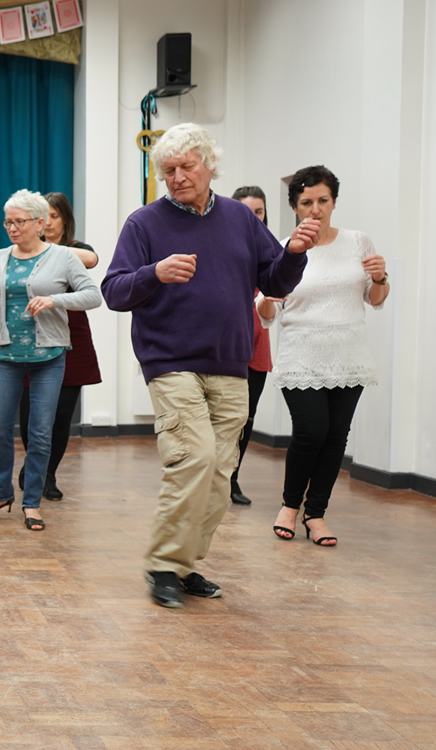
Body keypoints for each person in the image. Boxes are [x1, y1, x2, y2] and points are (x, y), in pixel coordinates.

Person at [102, 123, 316, 609]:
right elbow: (113, 291)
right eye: (168, 170)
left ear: (209, 166)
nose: (177, 177)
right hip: (171, 362)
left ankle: (183, 563)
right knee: (192, 458)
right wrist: (153, 273)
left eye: (186, 166)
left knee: (219, 473)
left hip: (231, 363)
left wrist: (295, 254)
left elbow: (274, 280)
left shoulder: (240, 218)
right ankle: (162, 564)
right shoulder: (144, 224)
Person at [0, 189, 102, 532]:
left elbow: (93, 295)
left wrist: (55, 301)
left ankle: (32, 503)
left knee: (39, 433)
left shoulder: (63, 257)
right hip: (7, 356)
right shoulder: (2, 258)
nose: (12, 228)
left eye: (19, 222)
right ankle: (0, 494)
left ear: (39, 223)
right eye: (8, 222)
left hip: (49, 357)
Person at [259, 166, 387, 546]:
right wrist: (267, 300)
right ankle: (289, 506)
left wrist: (380, 278)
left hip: (349, 353)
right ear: (295, 208)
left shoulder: (358, 241)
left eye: (322, 201)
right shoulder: (285, 248)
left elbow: (375, 300)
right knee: (311, 430)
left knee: (335, 436)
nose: (315, 210)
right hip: (301, 354)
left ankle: (316, 514)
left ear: (333, 202)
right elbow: (268, 316)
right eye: (306, 203)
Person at [3, 193, 102, 502]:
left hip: (73, 339)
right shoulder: (21, 251)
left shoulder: (74, 250)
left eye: (54, 217)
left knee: (61, 416)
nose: (48, 223)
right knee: (30, 412)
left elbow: (92, 260)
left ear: (61, 220)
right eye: (42, 217)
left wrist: (46, 251)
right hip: (31, 339)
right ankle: (35, 466)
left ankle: (47, 474)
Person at [228, 186, 274, 506]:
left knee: (247, 417)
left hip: (256, 343)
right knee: (220, 418)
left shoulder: (270, 250)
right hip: (225, 342)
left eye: (258, 211)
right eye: (246, 210)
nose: (253, 217)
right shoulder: (222, 245)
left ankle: (231, 479)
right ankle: (210, 479)